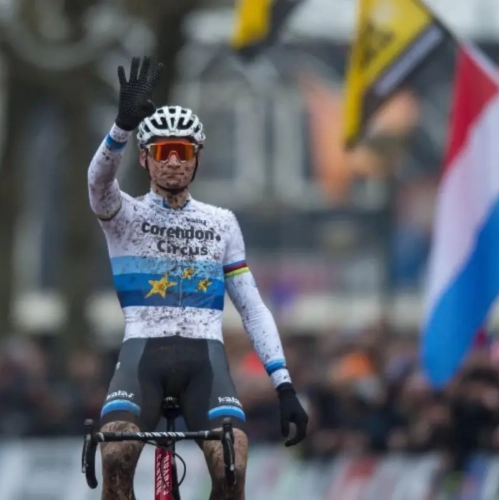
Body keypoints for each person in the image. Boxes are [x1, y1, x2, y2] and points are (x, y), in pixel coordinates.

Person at [87, 56, 308, 500]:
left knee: (232, 464)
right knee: (115, 455)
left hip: (205, 362)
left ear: (197, 158)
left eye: (183, 152)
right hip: (141, 357)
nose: (173, 162)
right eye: (164, 152)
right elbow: (98, 183)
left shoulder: (221, 222)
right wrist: (121, 130)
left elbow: (251, 306)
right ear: (146, 159)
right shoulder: (124, 215)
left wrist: (283, 384)